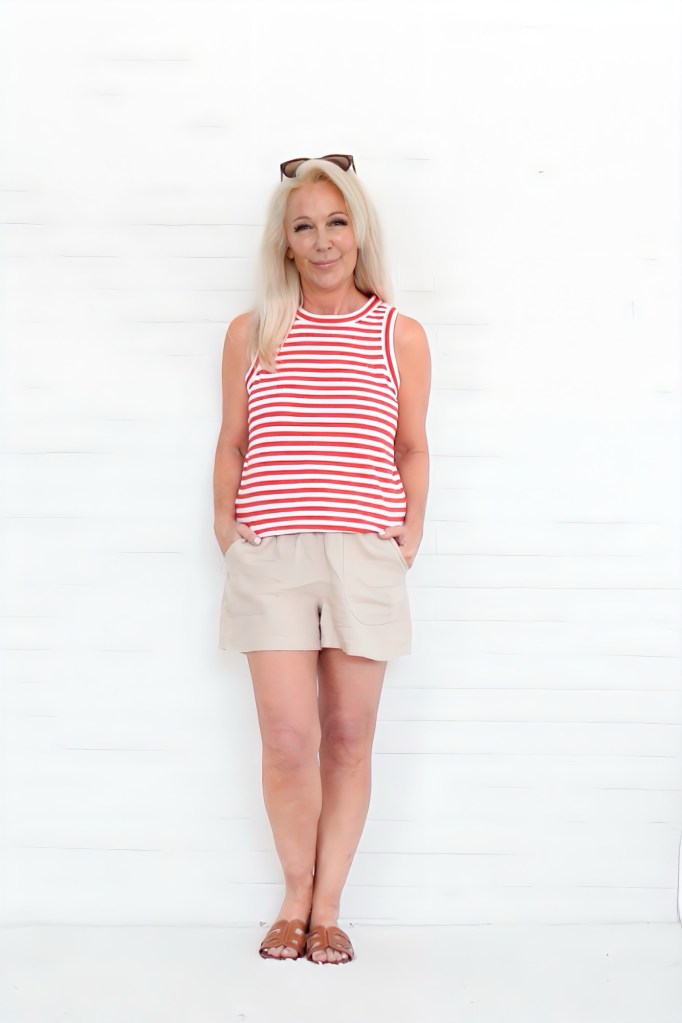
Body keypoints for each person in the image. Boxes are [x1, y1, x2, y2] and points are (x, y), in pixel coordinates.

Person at [213, 154, 431, 964]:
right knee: (286, 737)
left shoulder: (397, 332)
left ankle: (329, 906)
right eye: (304, 225)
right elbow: (232, 443)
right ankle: (292, 897)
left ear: (359, 230)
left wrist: (407, 536)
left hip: (365, 552)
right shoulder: (252, 331)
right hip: (271, 552)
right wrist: (227, 528)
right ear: (286, 242)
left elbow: (411, 447)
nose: (323, 239)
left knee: (346, 735)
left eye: (336, 221)